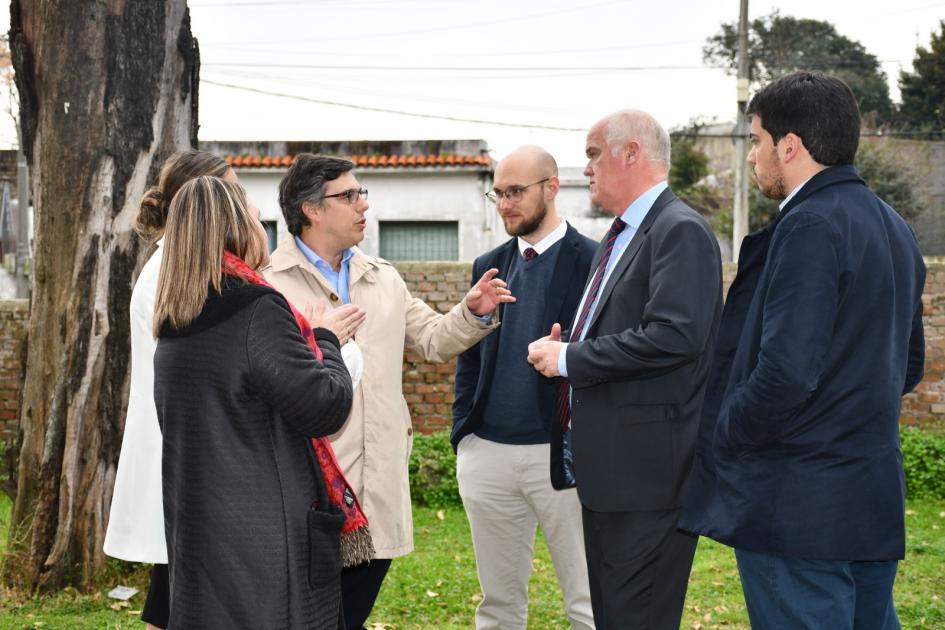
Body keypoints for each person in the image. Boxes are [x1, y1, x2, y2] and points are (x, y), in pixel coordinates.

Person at [679, 72, 926, 630]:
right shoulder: (895, 228)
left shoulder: (810, 224)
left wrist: (727, 428)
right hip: (868, 495)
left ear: (790, 146)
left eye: (758, 141)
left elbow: (785, 373)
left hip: (796, 504)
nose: (753, 159)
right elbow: (906, 364)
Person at [263, 153, 514, 629]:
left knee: (348, 615)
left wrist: (473, 310)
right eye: (349, 196)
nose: (363, 206)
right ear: (311, 209)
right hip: (307, 488)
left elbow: (435, 340)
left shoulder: (383, 278)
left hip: (378, 485)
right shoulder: (269, 284)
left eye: (363, 194)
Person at [527, 109, 723, 629]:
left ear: (631, 153)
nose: (585, 168)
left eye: (593, 154)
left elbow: (674, 336)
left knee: (639, 617)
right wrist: (573, 342)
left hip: (648, 479)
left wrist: (569, 358)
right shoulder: (623, 235)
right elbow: (631, 331)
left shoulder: (678, 230)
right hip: (613, 475)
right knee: (616, 615)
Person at [154, 175, 354, 629]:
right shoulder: (256, 311)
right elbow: (325, 406)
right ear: (233, 226)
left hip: (200, 542)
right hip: (264, 552)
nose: (261, 223)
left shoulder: (174, 320)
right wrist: (327, 341)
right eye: (252, 213)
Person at [452, 146, 597, 630]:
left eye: (516, 191)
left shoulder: (595, 262)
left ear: (551, 187)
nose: (505, 203)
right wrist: (463, 437)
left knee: (587, 601)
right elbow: (469, 356)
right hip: (487, 453)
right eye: (498, 193)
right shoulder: (488, 264)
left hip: (560, 454)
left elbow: (611, 353)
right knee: (497, 607)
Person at [104, 150, 233, 630]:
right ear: (203, 201)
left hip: (184, 442)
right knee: (183, 581)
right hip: (181, 445)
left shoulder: (182, 263)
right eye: (231, 190)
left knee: (179, 582)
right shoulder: (172, 271)